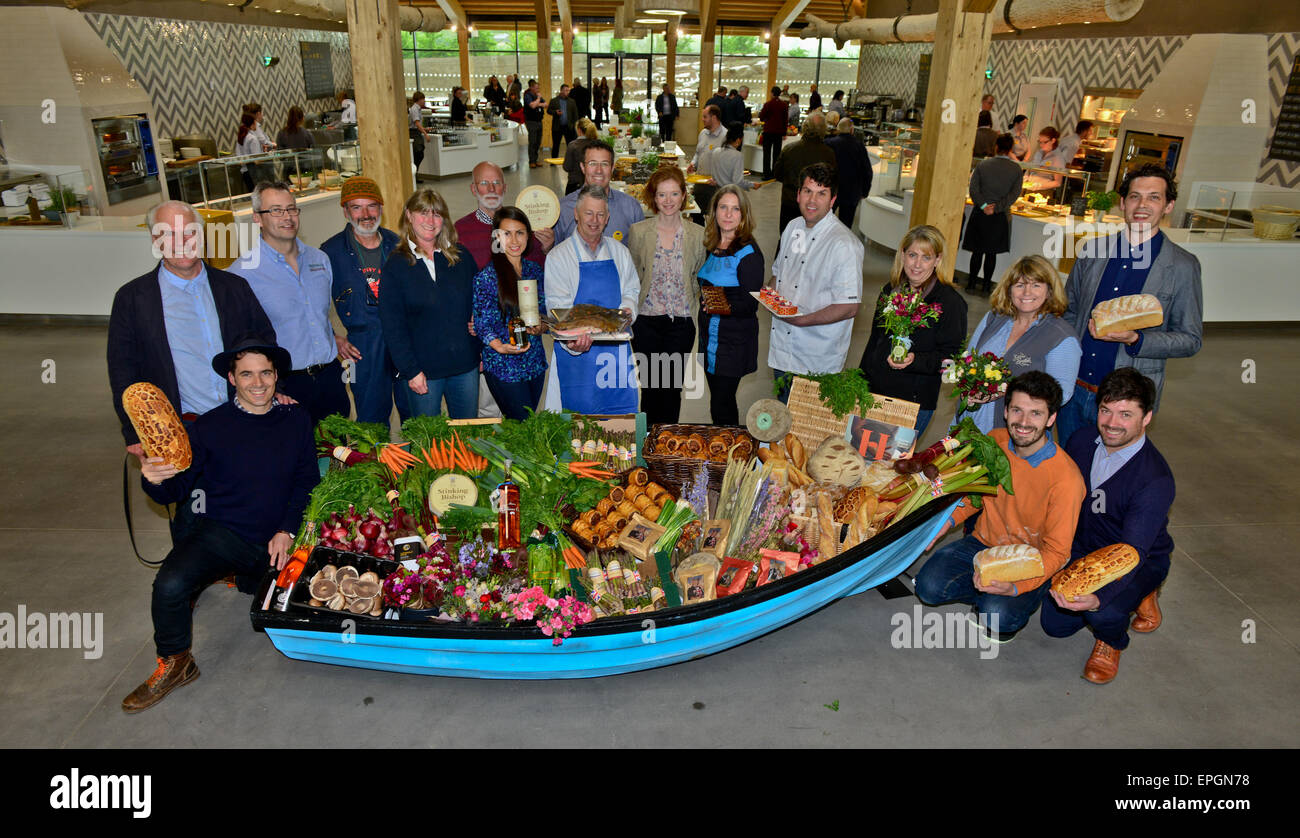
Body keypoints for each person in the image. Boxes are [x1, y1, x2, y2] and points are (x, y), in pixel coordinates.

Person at [120, 337, 318, 713]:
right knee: (169, 584)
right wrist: (154, 477)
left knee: (315, 606)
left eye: (265, 373)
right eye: (246, 374)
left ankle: (247, 579)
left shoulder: (296, 419)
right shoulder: (210, 427)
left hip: (278, 537)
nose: (257, 383)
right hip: (223, 534)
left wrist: (287, 529)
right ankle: (176, 662)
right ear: (232, 378)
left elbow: (307, 480)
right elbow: (176, 488)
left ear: (276, 376)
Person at [108, 200, 277, 543]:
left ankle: (249, 575)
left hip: (240, 417)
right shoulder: (133, 299)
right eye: (167, 234)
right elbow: (123, 370)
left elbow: (264, 343)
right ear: (154, 241)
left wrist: (269, 394)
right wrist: (134, 432)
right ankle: (191, 578)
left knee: (250, 498)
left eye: (189, 232)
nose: (180, 241)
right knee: (190, 512)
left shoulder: (234, 288)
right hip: (182, 427)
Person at [913, 371, 1087, 643]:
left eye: (1036, 414)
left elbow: (1057, 552)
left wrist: (1016, 587)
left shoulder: (1067, 479)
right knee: (928, 588)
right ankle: (986, 593)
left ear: (1052, 419)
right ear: (1005, 411)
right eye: (1017, 410)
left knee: (997, 616)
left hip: (1030, 559)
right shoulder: (995, 440)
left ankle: (1015, 598)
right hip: (983, 544)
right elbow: (975, 496)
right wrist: (945, 524)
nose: (1024, 422)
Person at [1042, 368, 1174, 684]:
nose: (1112, 423)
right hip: (1085, 548)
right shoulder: (1082, 440)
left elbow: (1134, 550)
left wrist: (1100, 597)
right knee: (1055, 626)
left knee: (1103, 613)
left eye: (1126, 414)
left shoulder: (1155, 479)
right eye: (1106, 410)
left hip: (1136, 558)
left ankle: (1112, 639)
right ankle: (1135, 599)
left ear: (1146, 418)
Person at [1056, 163, 1203, 443]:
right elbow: (1069, 311)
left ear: (1169, 206)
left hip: (1124, 406)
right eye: (1135, 196)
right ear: (1122, 203)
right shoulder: (1092, 250)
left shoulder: (1182, 266)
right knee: (1068, 476)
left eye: (1154, 197)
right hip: (1073, 391)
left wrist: (1136, 339)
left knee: (1109, 482)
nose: (1142, 205)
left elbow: (1190, 339)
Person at [229, 181, 352, 424]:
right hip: (285, 385)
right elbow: (240, 341)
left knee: (339, 453)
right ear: (257, 218)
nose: (287, 217)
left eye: (292, 209)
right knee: (296, 457)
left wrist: (334, 336)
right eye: (276, 210)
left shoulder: (320, 260)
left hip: (330, 376)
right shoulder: (242, 274)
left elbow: (319, 315)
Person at [379, 189, 480, 419]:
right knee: (428, 443)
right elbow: (393, 327)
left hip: (465, 367)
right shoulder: (396, 266)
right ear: (409, 216)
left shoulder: (461, 257)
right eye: (423, 213)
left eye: (437, 214)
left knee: (467, 439)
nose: (430, 220)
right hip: (423, 372)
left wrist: (481, 346)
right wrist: (410, 370)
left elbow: (479, 305)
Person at [859, 224, 968, 436]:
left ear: (937, 260)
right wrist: (862, 383)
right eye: (912, 255)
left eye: (926, 257)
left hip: (913, 402)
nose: (917, 264)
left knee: (894, 464)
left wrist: (914, 360)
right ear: (902, 255)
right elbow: (875, 341)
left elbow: (951, 357)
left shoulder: (949, 302)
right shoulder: (891, 290)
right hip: (876, 395)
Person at [769, 163, 864, 399]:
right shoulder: (793, 227)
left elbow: (849, 306)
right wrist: (769, 295)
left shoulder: (844, 244)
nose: (812, 200)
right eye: (808, 191)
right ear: (798, 194)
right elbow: (778, 274)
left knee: (808, 431)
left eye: (822, 193)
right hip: (782, 350)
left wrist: (802, 320)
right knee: (782, 423)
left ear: (833, 200)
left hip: (816, 360)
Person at [544, 185, 641, 414]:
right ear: (576, 214)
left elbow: (631, 291)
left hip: (615, 354)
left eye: (600, 214)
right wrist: (575, 341)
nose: (594, 220)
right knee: (578, 428)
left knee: (620, 424)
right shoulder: (559, 257)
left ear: (608, 218)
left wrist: (626, 312)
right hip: (577, 359)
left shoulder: (620, 252)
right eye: (588, 213)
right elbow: (559, 309)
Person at [320, 177, 408, 426]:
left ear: (381, 208)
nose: (366, 214)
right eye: (356, 207)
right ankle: (373, 464)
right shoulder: (330, 252)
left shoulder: (398, 245)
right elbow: (313, 303)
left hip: (403, 339)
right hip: (360, 347)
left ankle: (414, 464)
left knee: (414, 410)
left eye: (371, 206)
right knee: (370, 416)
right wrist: (333, 336)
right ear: (345, 211)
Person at [963, 255, 1081, 433]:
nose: (1027, 293)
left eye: (1036, 285)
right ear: (1009, 290)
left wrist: (1008, 391)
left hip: (1018, 433)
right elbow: (969, 360)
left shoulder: (1062, 336)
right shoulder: (993, 318)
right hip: (969, 420)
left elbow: (1060, 395)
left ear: (1049, 290)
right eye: (1020, 285)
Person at [628, 167, 707, 425]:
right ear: (653, 197)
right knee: (650, 387)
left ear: (684, 196)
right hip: (647, 321)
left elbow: (698, 275)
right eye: (662, 195)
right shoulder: (639, 232)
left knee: (672, 388)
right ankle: (648, 444)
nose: (668, 200)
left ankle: (666, 444)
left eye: (674, 193)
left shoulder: (698, 235)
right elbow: (635, 274)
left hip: (681, 323)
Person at [471, 207, 549, 420]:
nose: (514, 240)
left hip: (534, 361)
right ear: (496, 237)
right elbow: (482, 321)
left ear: (528, 235)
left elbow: (543, 310)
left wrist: (542, 325)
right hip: (504, 365)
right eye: (507, 233)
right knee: (521, 424)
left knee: (528, 424)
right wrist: (498, 346)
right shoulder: (487, 277)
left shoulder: (534, 271)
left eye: (520, 232)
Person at [697, 186, 764, 425]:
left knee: (723, 402)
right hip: (710, 340)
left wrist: (718, 305)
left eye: (735, 209)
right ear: (714, 212)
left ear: (743, 215)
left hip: (732, 345)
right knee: (717, 399)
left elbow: (749, 303)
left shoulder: (749, 254)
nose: (728, 214)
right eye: (723, 207)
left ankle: (730, 453)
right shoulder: (712, 244)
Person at [454, 161, 553, 268]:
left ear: (505, 188)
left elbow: (539, 270)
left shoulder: (523, 224)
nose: (491, 189)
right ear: (474, 189)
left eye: (497, 183)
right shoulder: (460, 230)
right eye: (484, 183)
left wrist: (547, 250)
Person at [962, 132, 1025, 293]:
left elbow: (973, 188)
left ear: (996, 147)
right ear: (1010, 149)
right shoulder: (1016, 169)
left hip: (980, 214)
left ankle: (971, 283)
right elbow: (1014, 194)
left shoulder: (983, 165)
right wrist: (996, 207)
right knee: (991, 254)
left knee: (977, 251)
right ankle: (986, 286)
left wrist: (984, 205)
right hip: (1000, 216)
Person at [553, 142, 645, 245]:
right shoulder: (562, 209)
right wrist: (546, 247)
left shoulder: (631, 208)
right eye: (593, 163)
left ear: (612, 168)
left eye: (605, 164)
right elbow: (554, 254)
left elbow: (639, 252)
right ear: (583, 167)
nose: (599, 170)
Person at [773, 111, 836, 235]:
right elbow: (833, 182)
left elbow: (778, 175)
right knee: (811, 242)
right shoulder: (829, 154)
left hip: (790, 201)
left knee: (787, 237)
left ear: (805, 127)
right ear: (824, 129)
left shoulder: (789, 149)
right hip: (815, 206)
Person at [825, 117, 873, 228]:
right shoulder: (859, 145)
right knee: (845, 225)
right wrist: (865, 191)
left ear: (838, 129)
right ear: (852, 130)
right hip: (852, 192)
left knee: (824, 221)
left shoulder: (829, 143)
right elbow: (867, 171)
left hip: (832, 189)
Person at [687, 104, 727, 211]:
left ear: (714, 118)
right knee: (696, 214)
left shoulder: (726, 137)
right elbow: (698, 153)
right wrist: (693, 163)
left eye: (705, 117)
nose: (702, 119)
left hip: (716, 187)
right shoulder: (703, 133)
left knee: (715, 218)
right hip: (700, 182)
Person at [562, 118, 600, 195]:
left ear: (579, 130)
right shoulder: (597, 144)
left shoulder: (572, 145)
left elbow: (567, 167)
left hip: (575, 185)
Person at [759, 86, 788, 181]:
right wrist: (784, 133)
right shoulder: (784, 105)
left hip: (768, 131)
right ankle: (775, 174)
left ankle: (767, 174)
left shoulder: (768, 104)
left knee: (766, 153)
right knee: (777, 154)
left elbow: (762, 117)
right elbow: (785, 120)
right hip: (779, 132)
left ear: (772, 93)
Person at [1025, 126, 1066, 191]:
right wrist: (1025, 177)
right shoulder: (1039, 152)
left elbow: (1058, 183)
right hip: (1028, 188)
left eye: (1045, 142)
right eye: (1040, 142)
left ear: (1053, 140)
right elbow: (1031, 167)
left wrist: (1040, 185)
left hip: (1044, 192)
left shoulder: (1058, 157)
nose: (1041, 145)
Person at [235, 112, 264, 192]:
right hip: (253, 173)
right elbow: (257, 160)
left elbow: (239, 158)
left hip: (244, 172)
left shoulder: (241, 137)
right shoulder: (252, 138)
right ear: (252, 123)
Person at [547, 84, 578, 159]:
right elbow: (548, 111)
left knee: (570, 145)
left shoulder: (572, 101)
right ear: (561, 91)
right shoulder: (554, 100)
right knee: (556, 145)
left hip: (568, 127)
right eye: (566, 90)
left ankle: (572, 160)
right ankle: (554, 160)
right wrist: (555, 112)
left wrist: (574, 125)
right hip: (557, 127)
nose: (568, 92)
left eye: (568, 90)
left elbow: (575, 114)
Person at [522, 79, 547, 168]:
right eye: (536, 88)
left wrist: (538, 103)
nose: (538, 90)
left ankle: (536, 160)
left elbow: (546, 104)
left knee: (538, 141)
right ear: (531, 87)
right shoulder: (527, 95)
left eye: (538, 88)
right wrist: (539, 99)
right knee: (532, 141)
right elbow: (532, 106)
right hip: (531, 121)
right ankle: (531, 161)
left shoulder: (536, 95)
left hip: (539, 120)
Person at [409, 91, 431, 171]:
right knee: (418, 153)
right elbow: (417, 123)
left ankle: (416, 173)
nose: (424, 101)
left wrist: (425, 129)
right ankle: (414, 173)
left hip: (416, 132)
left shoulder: (418, 109)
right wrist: (425, 134)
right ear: (419, 99)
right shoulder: (414, 109)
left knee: (419, 153)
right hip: (414, 133)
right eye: (423, 99)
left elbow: (417, 124)